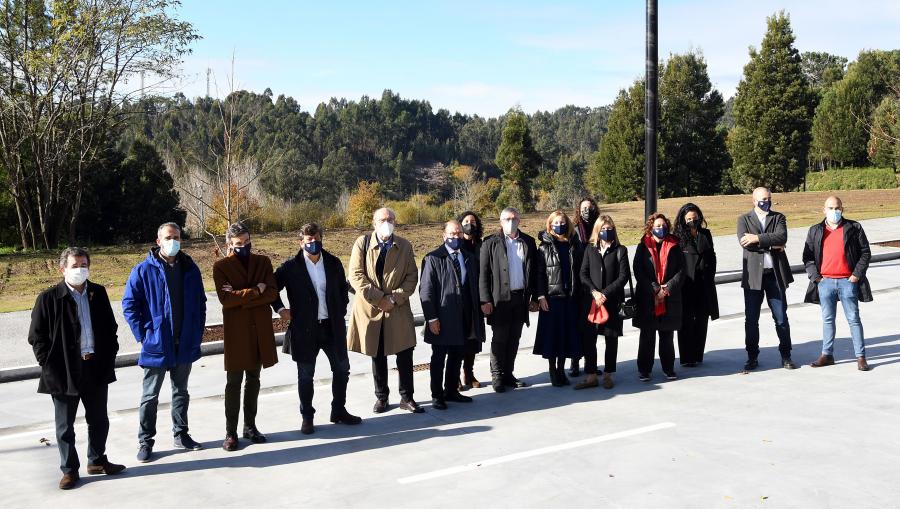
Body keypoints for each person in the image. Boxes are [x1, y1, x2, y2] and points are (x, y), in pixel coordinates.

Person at [28, 248, 125, 490]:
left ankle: (97, 460)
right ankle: (70, 470)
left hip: (94, 366)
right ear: (63, 269)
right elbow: (36, 337)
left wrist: (108, 356)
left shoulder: (98, 293)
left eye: (84, 264)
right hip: (64, 372)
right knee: (64, 425)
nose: (80, 269)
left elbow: (110, 328)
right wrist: (48, 364)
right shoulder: (49, 298)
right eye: (74, 265)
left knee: (99, 420)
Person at [123, 222, 207, 463]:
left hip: (185, 342)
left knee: (181, 392)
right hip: (157, 345)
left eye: (177, 237)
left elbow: (201, 302)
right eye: (169, 237)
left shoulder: (190, 268)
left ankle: (181, 434)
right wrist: (144, 335)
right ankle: (145, 441)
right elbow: (129, 305)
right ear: (158, 241)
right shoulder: (142, 270)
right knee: (150, 396)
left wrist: (196, 331)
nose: (174, 241)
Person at [273, 223, 362, 434]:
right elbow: (272, 288)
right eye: (308, 240)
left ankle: (338, 410)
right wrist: (280, 309)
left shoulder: (332, 262)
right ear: (301, 242)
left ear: (322, 238)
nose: (313, 243)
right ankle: (307, 417)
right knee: (305, 376)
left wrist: (340, 308)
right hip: (305, 330)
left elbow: (342, 289)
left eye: (317, 239)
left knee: (342, 369)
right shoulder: (290, 267)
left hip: (332, 327)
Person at [348, 208, 423, 413]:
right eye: (383, 219)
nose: (387, 222)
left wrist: (394, 298)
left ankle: (407, 397)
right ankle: (382, 397)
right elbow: (355, 275)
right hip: (371, 309)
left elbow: (411, 277)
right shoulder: (362, 243)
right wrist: (379, 299)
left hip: (396, 308)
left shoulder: (405, 246)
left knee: (405, 353)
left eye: (391, 219)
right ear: (374, 223)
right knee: (378, 355)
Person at [212, 222, 279, 450]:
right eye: (239, 244)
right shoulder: (221, 266)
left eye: (247, 242)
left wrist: (243, 296)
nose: (244, 246)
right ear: (229, 244)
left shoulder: (263, 262)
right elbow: (226, 300)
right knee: (234, 383)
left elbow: (271, 293)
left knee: (254, 380)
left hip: (259, 331)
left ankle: (250, 426)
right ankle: (231, 432)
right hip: (237, 333)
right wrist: (256, 290)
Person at [803, 196, 873, 371]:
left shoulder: (854, 228)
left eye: (837, 208)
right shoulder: (815, 230)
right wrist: (816, 278)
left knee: (854, 319)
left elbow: (865, 252)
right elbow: (808, 256)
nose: (834, 211)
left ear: (843, 208)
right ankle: (827, 355)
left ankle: (861, 357)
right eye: (831, 208)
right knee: (827, 319)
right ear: (824, 210)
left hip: (847, 281)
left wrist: (856, 275)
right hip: (825, 282)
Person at [420, 220, 484, 409]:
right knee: (439, 358)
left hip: (463, 316)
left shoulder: (468, 257)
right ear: (444, 236)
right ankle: (437, 395)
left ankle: (451, 391)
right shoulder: (433, 258)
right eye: (451, 234)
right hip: (442, 317)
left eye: (458, 233)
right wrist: (432, 318)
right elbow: (426, 291)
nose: (455, 237)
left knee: (457, 356)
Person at [479, 207, 539, 392]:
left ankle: (508, 374)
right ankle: (497, 375)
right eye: (506, 219)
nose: (510, 222)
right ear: (500, 221)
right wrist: (485, 300)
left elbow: (534, 271)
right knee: (500, 338)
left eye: (514, 219)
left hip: (520, 298)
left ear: (519, 221)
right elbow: (483, 274)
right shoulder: (490, 243)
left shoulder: (528, 241)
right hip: (499, 300)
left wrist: (535, 297)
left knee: (514, 338)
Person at [737, 187, 796, 371]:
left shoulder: (778, 217)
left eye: (769, 198)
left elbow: (782, 236)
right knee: (751, 320)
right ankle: (752, 356)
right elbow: (744, 243)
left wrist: (757, 238)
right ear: (754, 200)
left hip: (775, 276)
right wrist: (773, 243)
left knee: (781, 318)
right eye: (763, 199)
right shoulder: (744, 219)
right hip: (753, 277)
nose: (767, 201)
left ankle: (786, 355)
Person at [578, 215, 630, 390]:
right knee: (589, 339)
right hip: (592, 302)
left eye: (610, 228)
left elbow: (623, 277)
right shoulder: (589, 249)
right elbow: (583, 274)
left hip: (611, 301)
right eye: (603, 229)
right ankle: (591, 375)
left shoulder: (620, 250)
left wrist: (604, 294)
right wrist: (594, 292)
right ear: (597, 231)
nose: (607, 232)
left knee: (611, 339)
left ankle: (608, 374)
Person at [533, 210, 584, 386]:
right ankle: (553, 371)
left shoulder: (574, 245)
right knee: (552, 336)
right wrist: (540, 296)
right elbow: (539, 274)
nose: (559, 226)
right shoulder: (544, 247)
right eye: (556, 223)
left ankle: (562, 370)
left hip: (570, 297)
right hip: (552, 298)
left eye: (562, 223)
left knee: (566, 335)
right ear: (550, 225)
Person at [633, 213, 685, 381]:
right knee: (647, 336)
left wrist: (667, 288)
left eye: (663, 225)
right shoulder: (643, 245)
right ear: (651, 227)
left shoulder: (675, 245)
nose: (660, 228)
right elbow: (638, 270)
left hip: (670, 298)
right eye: (657, 226)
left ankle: (668, 369)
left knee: (667, 336)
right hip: (648, 297)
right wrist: (655, 289)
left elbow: (681, 271)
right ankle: (644, 370)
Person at [673, 203, 719, 367]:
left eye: (695, 218)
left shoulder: (705, 234)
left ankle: (698, 355)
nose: (693, 221)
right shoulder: (677, 237)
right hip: (686, 284)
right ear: (683, 220)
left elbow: (711, 256)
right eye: (689, 219)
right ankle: (686, 357)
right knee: (686, 321)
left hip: (703, 283)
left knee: (701, 320)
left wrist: (710, 274)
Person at [569, 197, 600, 377]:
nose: (587, 211)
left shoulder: (599, 227)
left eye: (589, 207)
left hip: (594, 284)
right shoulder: (574, 231)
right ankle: (575, 362)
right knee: (577, 326)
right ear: (579, 211)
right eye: (584, 208)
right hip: (577, 285)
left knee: (591, 329)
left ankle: (591, 363)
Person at [456, 211, 486, 390]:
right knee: (459, 338)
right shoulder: (456, 245)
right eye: (466, 221)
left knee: (473, 338)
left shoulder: (481, 245)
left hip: (476, 297)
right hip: (460, 298)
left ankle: (469, 372)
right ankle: (455, 375)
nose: (469, 224)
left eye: (473, 221)